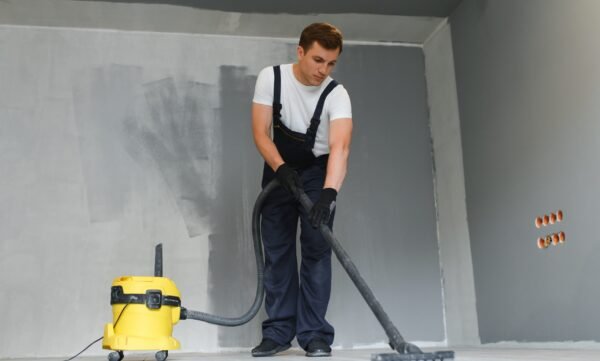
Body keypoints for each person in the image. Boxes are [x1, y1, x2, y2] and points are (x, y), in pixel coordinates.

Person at [251, 22, 353, 357]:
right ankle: (279, 331)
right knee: (278, 251)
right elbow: (261, 133)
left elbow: (339, 148)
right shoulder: (272, 78)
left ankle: (314, 335)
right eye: (318, 60)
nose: (323, 70)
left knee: (316, 252)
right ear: (300, 52)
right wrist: (279, 169)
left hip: (318, 174)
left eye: (331, 64)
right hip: (278, 169)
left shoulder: (337, 95)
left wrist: (329, 194)